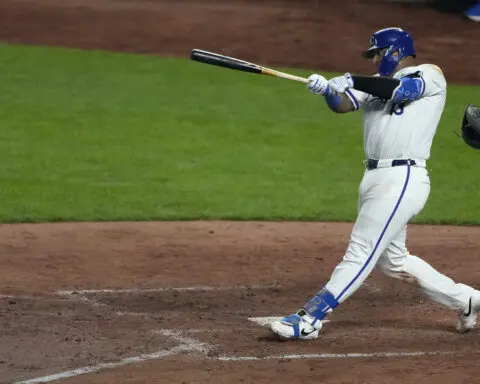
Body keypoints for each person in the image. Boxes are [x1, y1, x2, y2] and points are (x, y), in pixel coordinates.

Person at [270, 27, 480, 340]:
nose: (376, 59)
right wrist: (327, 89)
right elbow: (342, 104)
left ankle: (309, 318)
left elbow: (402, 90)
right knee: (394, 261)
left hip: (403, 178)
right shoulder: (374, 85)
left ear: (396, 51)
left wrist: (351, 80)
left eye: (378, 53)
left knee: (361, 250)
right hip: (374, 179)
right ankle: (467, 300)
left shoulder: (430, 75)